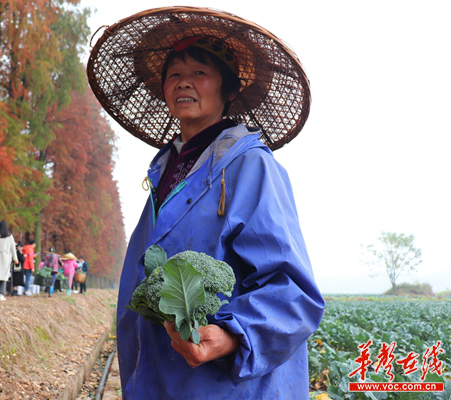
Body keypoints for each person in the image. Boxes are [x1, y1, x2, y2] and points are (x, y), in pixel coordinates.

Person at [87, 7, 325, 399]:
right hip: (160, 379)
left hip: (226, 387)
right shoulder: (165, 172)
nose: (184, 83)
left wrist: (232, 335)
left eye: (200, 73)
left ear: (229, 90)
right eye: (175, 74)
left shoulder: (252, 167)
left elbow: (293, 291)